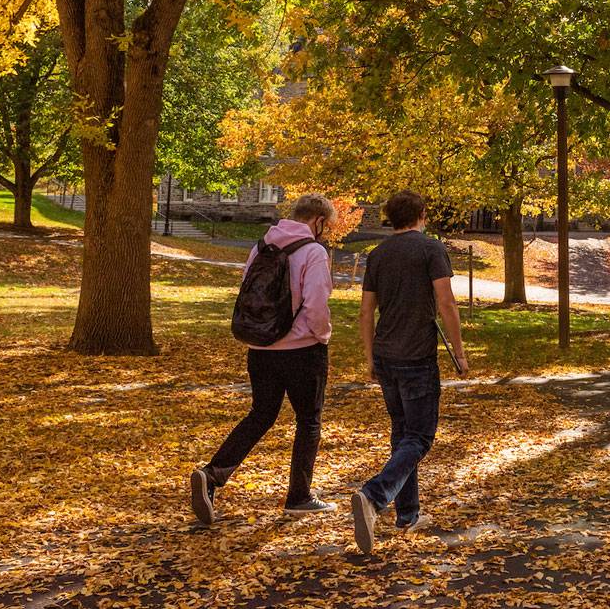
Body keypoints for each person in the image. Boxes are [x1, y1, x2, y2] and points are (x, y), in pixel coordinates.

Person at [190, 193, 339, 524]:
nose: (325, 232)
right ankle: (299, 496)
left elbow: (248, 291)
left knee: (260, 415)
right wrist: (323, 336)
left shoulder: (261, 246)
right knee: (309, 420)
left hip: (260, 348)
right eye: (325, 226)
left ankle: (212, 474)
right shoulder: (314, 252)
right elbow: (316, 304)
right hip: (302, 351)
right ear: (317, 221)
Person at [351, 188, 469, 555]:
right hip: (417, 357)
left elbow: (366, 311)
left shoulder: (378, 255)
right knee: (419, 438)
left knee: (403, 435)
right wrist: (460, 354)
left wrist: (370, 358)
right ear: (420, 215)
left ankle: (408, 514)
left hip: (386, 355)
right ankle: (373, 496)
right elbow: (446, 303)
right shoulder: (431, 249)